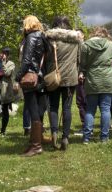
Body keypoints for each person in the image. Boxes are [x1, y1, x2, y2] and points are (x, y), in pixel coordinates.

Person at [45, 15, 83, 150]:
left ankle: (54, 132)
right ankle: (65, 137)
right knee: (66, 108)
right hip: (70, 78)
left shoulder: (48, 39)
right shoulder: (76, 40)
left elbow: (44, 59)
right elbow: (79, 60)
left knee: (53, 107)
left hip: (53, 77)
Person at [79, 27, 112, 143]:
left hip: (92, 79)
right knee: (105, 109)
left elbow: (82, 63)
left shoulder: (85, 45)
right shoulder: (111, 45)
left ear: (93, 34)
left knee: (90, 110)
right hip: (108, 79)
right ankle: (104, 137)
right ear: (105, 34)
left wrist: (83, 71)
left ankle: (86, 137)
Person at [14, 15, 49, 157]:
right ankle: (37, 140)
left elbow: (27, 60)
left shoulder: (31, 37)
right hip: (41, 77)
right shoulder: (44, 37)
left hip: (30, 77)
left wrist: (17, 78)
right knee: (39, 110)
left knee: (33, 110)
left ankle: (36, 146)